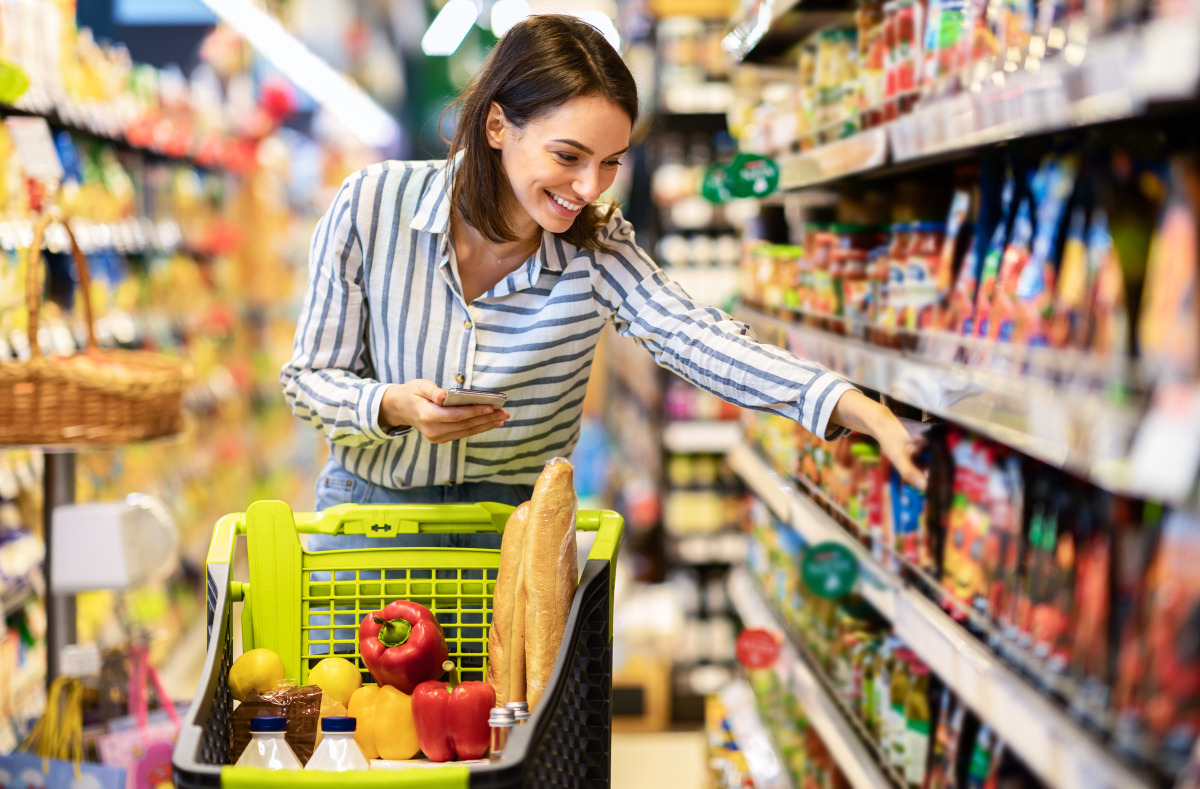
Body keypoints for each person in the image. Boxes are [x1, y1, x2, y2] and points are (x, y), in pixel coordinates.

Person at [282, 14, 925, 553]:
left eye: (610, 163)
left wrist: (849, 404)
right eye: (568, 156)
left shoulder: (596, 244)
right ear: (498, 126)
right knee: (362, 707)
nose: (589, 188)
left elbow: (695, 337)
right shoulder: (372, 204)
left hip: (519, 536)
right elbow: (309, 379)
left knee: (517, 710)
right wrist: (391, 406)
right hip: (370, 524)